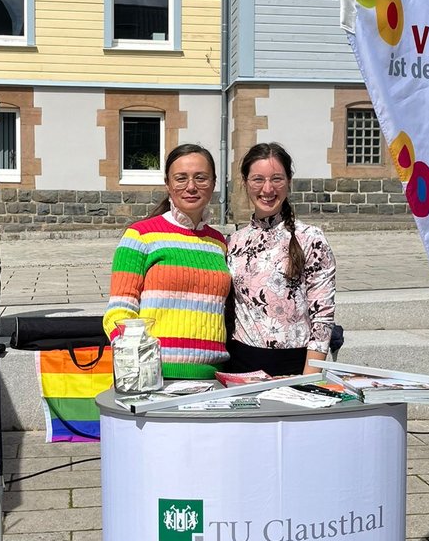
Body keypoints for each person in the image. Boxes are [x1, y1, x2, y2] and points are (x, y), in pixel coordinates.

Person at [103, 144, 230, 379]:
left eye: (200, 178)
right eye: (181, 178)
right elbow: (119, 312)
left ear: (214, 183)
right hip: (155, 376)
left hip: (212, 377)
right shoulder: (140, 235)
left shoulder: (219, 242)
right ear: (168, 184)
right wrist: (139, 367)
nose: (191, 186)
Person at [226, 142, 336, 376]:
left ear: (288, 181)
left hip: (295, 365)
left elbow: (323, 316)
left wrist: (311, 378)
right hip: (241, 365)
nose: (267, 189)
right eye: (258, 179)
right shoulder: (233, 242)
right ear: (245, 183)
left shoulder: (310, 239)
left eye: (276, 179)